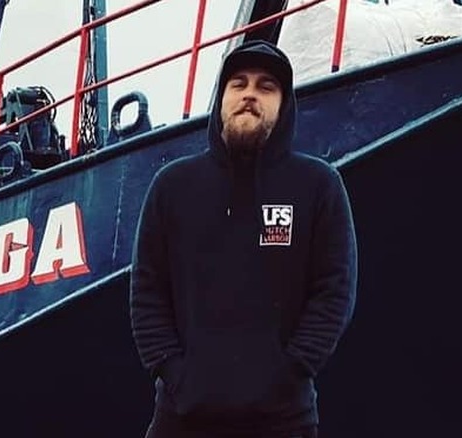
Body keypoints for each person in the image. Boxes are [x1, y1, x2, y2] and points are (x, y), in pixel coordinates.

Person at [130, 39, 358, 438]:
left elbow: (335, 291)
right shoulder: (172, 186)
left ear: (284, 105)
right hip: (181, 419)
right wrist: (175, 373)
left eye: (266, 86)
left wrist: (290, 372)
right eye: (238, 84)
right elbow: (147, 290)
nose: (250, 93)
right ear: (221, 100)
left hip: (284, 421)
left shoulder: (319, 185)